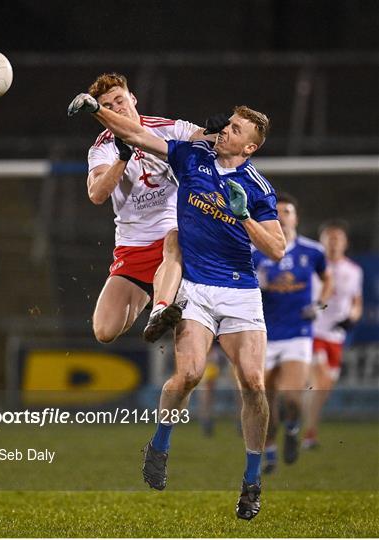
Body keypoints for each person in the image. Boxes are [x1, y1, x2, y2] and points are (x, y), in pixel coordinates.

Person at [68, 92, 286, 520]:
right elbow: (135, 133)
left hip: (240, 291)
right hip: (198, 290)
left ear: (250, 147)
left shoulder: (258, 188)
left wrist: (244, 218)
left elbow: (277, 248)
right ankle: (161, 443)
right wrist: (97, 112)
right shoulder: (191, 157)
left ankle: (252, 482)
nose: (226, 131)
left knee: (254, 384)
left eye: (236, 130)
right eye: (227, 125)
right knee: (186, 375)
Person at [84, 73, 208, 344]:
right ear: (101, 113)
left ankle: (162, 308)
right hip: (133, 246)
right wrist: (122, 158)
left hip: (173, 237)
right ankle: (156, 296)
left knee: (174, 238)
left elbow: (205, 136)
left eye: (120, 100)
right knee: (104, 331)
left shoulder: (164, 128)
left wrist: (220, 132)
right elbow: (97, 194)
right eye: (108, 106)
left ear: (133, 98)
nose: (117, 109)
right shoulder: (102, 148)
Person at [252, 193, 332, 474]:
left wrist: (319, 306)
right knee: (266, 400)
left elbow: (327, 279)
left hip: (298, 332)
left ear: (296, 217)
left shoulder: (312, 251)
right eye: (277, 212)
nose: (282, 216)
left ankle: (293, 426)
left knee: (292, 396)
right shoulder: (256, 254)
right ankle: (271, 453)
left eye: (287, 211)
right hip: (265, 333)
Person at [303, 220, 363, 449]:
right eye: (329, 238)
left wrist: (353, 317)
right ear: (322, 241)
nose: (334, 242)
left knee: (323, 388)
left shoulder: (354, 271)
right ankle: (309, 434)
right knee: (321, 380)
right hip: (312, 331)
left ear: (345, 242)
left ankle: (300, 420)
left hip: (336, 336)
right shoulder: (311, 267)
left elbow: (356, 302)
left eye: (338, 238)